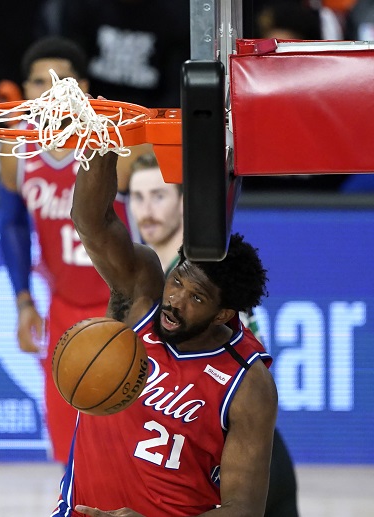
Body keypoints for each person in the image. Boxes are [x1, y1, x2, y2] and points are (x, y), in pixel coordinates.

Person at [55, 145, 277, 515]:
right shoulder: (140, 296)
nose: (175, 299)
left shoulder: (247, 382)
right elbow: (91, 221)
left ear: (223, 314)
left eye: (197, 298)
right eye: (178, 280)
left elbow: (244, 510)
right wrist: (103, 141)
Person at [0, 36, 150, 464]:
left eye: (62, 81)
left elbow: (161, 222)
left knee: (133, 449)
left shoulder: (121, 143)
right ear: (24, 89)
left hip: (124, 308)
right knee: (70, 451)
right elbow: (10, 224)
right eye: (38, 82)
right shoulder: (15, 148)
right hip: (63, 307)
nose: (50, 91)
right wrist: (24, 300)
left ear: (82, 87)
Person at [127, 153, 299, 517]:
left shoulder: (213, 276)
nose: (146, 210)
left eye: (158, 196)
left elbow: (249, 367)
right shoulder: (136, 276)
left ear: (183, 204)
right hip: (155, 439)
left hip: (220, 443)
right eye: (136, 197)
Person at [55, 0, 189, 108]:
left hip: (150, 114)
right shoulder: (83, 6)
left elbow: (178, 88)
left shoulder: (176, 12)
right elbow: (68, 64)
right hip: (90, 108)